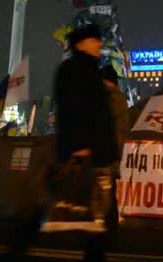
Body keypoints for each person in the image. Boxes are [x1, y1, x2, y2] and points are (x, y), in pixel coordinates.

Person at [53, 24, 119, 261]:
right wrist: (79, 145)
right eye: (94, 40)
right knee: (87, 212)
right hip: (86, 153)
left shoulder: (92, 70)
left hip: (98, 153)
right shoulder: (73, 70)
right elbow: (72, 110)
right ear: (80, 44)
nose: (99, 44)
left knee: (96, 215)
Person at [102, 65, 130, 231]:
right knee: (109, 189)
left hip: (106, 152)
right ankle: (110, 226)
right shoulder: (119, 98)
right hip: (113, 153)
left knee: (104, 192)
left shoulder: (111, 98)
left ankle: (108, 226)